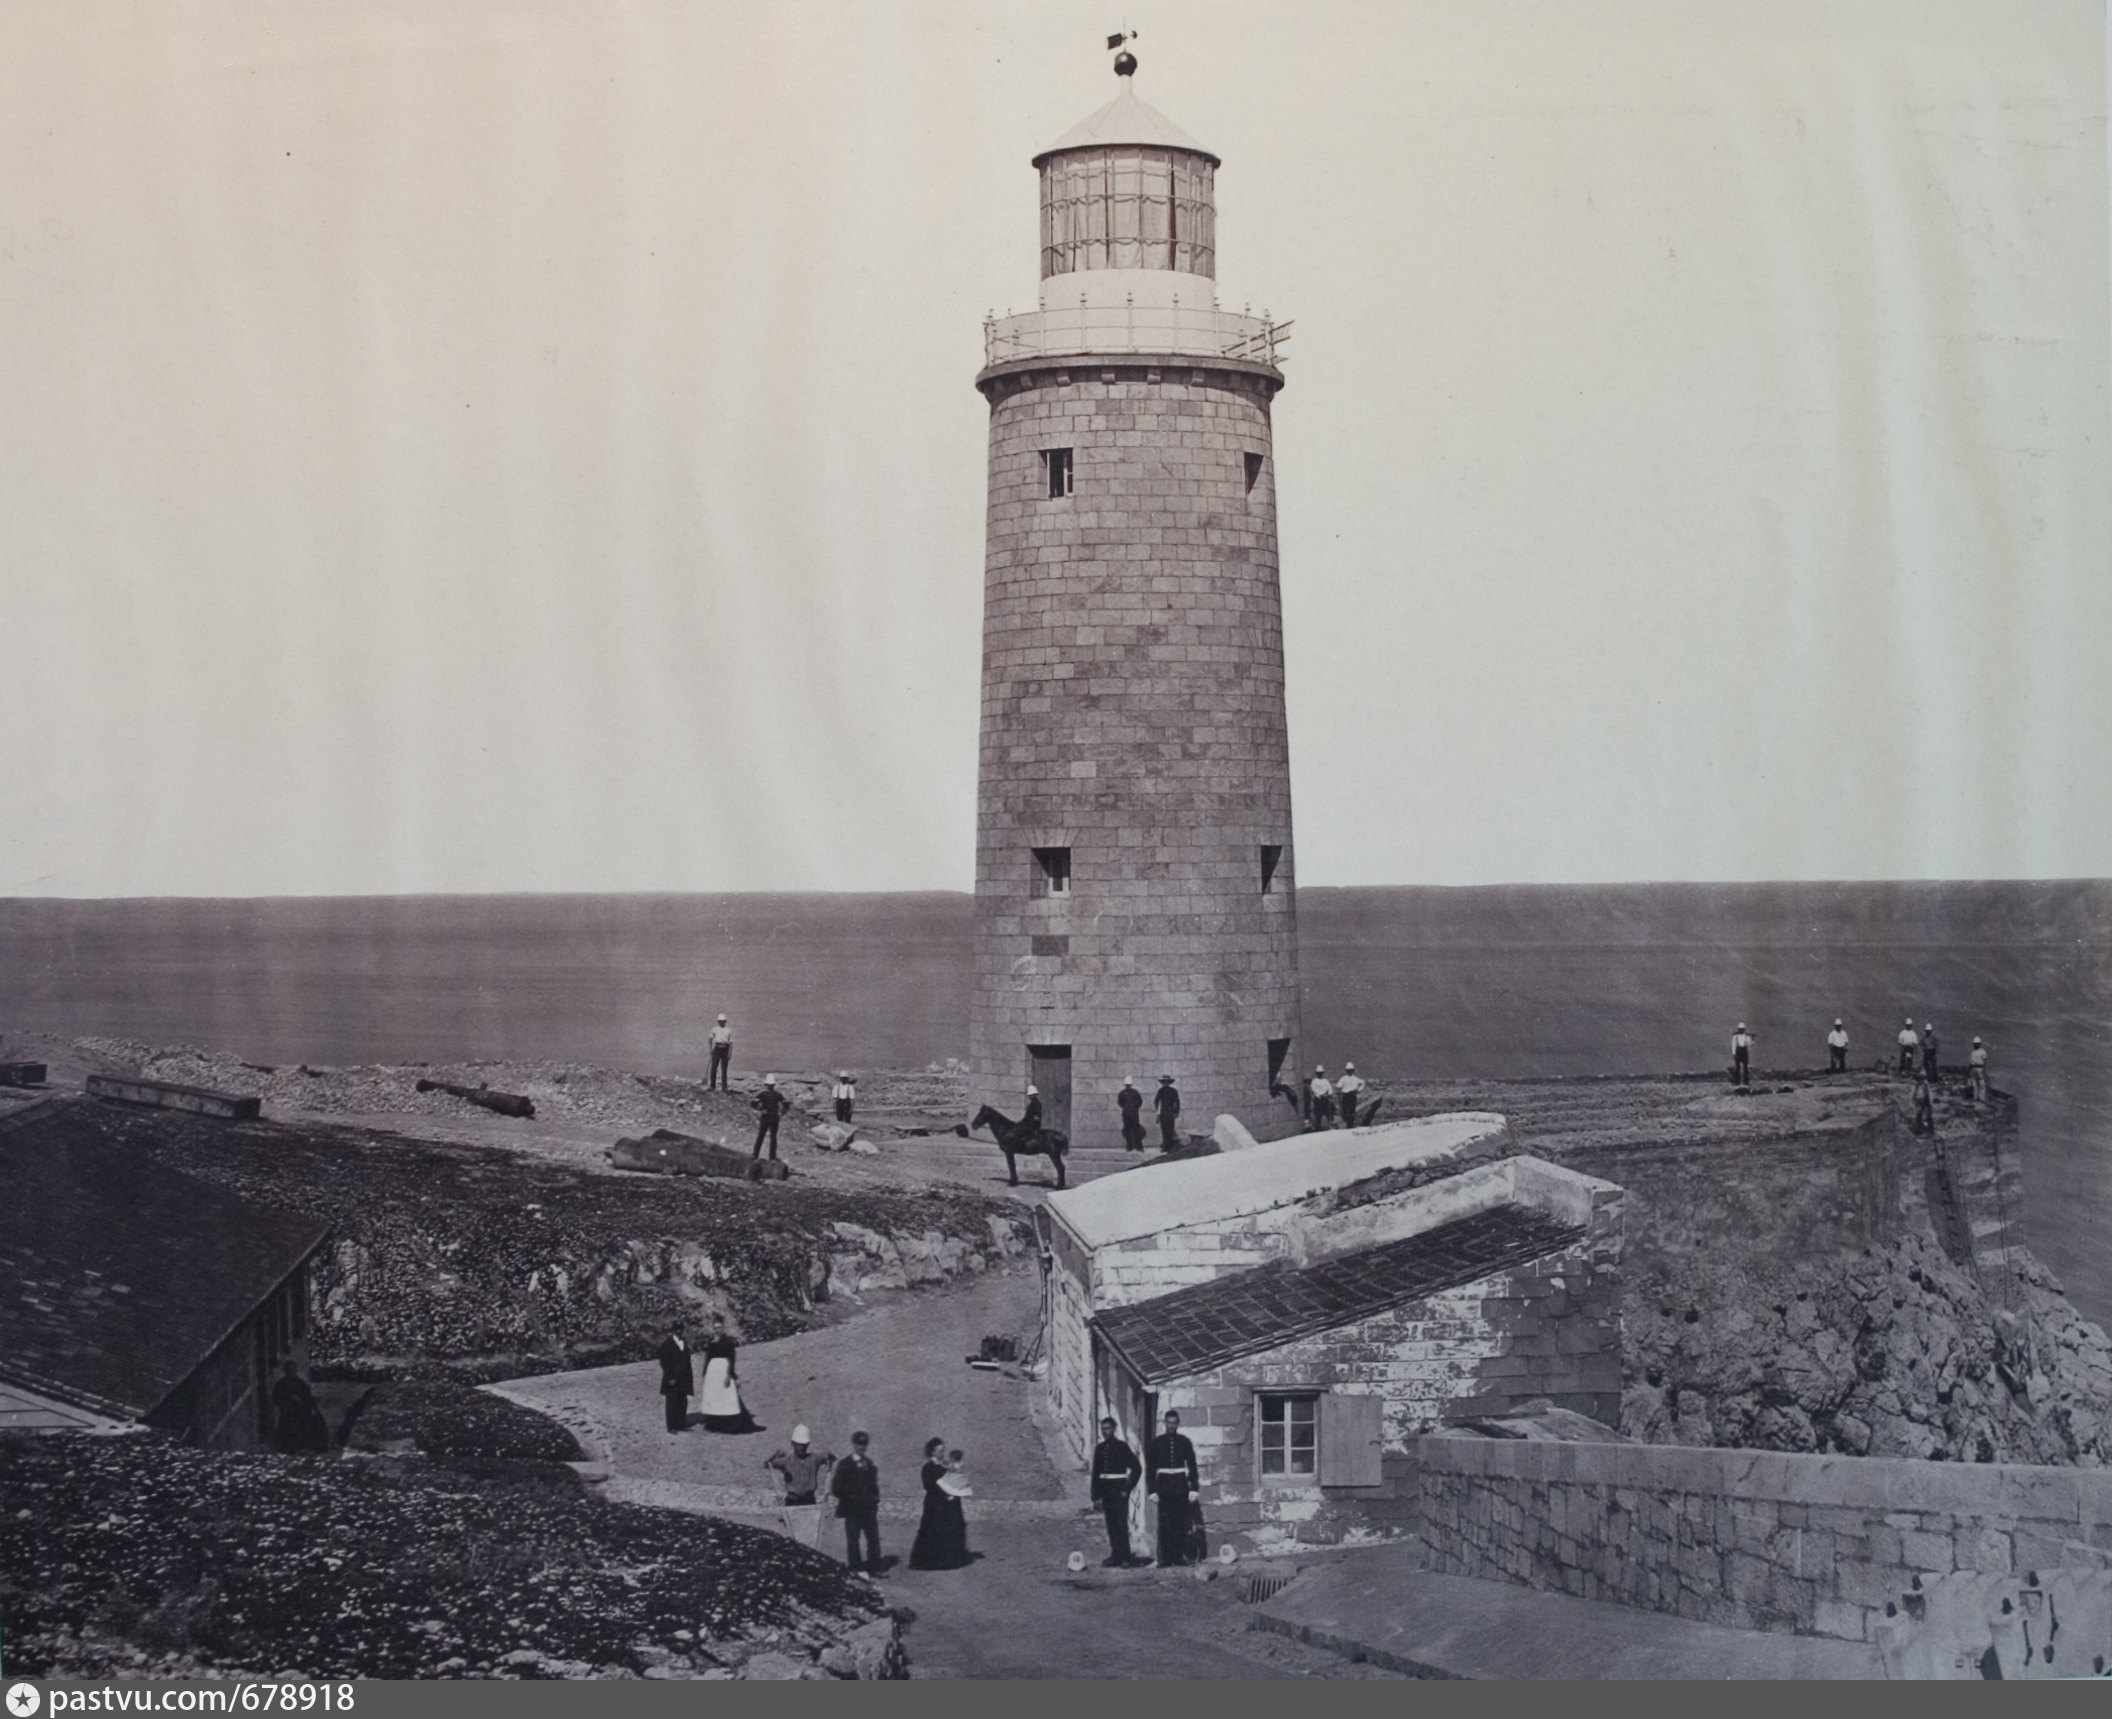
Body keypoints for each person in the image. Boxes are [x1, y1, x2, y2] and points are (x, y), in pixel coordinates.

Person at [765, 1424, 834, 1548]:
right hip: (792, 1501)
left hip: (808, 1501)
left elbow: (831, 1456)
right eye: (798, 1444)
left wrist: (829, 1459)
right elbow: (767, 1464)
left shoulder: (814, 1458)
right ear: (793, 1443)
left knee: (809, 1536)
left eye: (803, 1445)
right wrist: (775, 1454)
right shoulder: (786, 1461)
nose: (801, 1447)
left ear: (807, 1445)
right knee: (794, 1538)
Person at [1147, 1409, 1199, 1567]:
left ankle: (1178, 1557)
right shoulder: (1157, 1442)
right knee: (1164, 1523)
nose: (1171, 1426)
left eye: (1174, 1423)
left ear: (1178, 1424)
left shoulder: (1185, 1442)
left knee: (1179, 1523)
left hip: (1180, 1486)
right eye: (1169, 1423)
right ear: (1165, 1424)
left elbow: (1192, 1466)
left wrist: (1194, 1488)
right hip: (1163, 1486)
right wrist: (1151, 1490)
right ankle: (1165, 1558)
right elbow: (1150, 1468)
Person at [909, 1438, 972, 1569]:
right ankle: (929, 1562)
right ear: (932, 1451)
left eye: (943, 1451)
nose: (942, 1453)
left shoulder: (945, 1465)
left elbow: (953, 1479)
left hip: (947, 1505)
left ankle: (948, 1560)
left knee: (948, 1531)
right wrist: (945, 1492)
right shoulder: (927, 1467)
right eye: (939, 1451)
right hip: (935, 1504)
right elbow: (928, 1485)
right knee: (933, 1531)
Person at [1090, 1415, 1141, 1566]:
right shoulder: (1099, 1449)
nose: (1105, 1432)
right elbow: (1096, 1474)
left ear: (1114, 1429)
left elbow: (1137, 1468)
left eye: (1108, 1428)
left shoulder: (1122, 1447)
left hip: (1119, 1490)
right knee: (1110, 1524)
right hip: (1106, 1491)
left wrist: (1127, 1488)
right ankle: (1115, 1555)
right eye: (1103, 1429)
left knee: (1121, 1524)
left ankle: (1126, 1557)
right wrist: (1095, 1496)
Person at [832, 1431, 883, 1575]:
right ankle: (856, 1568)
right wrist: (851, 1498)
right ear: (854, 1445)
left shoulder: (869, 1464)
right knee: (853, 1540)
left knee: (873, 1539)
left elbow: (874, 1485)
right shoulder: (845, 1464)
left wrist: (875, 1500)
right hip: (852, 1509)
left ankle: (874, 1568)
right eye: (860, 1444)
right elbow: (836, 1488)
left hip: (868, 1509)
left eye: (864, 1444)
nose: (862, 1447)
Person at [697, 1313, 753, 1433]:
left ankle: (728, 1422)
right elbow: (708, 1357)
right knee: (714, 1396)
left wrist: (729, 1374)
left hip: (723, 1369)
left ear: (723, 1328)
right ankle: (714, 1422)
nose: (717, 1330)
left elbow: (731, 1358)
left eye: (719, 1328)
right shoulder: (711, 1341)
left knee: (726, 1395)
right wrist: (705, 1372)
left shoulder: (727, 1342)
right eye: (715, 1328)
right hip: (712, 1372)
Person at [269, 1360, 328, 1453]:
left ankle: (309, 1446)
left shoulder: (300, 1382)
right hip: (288, 1411)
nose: (291, 1372)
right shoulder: (281, 1383)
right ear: (285, 1371)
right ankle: (287, 1448)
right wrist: (289, 1399)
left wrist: (309, 1404)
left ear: (295, 1370)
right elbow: (277, 1398)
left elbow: (307, 1396)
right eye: (289, 1370)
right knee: (288, 1426)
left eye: (293, 1369)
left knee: (315, 1421)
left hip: (301, 1410)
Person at [655, 1328, 694, 1434]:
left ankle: (681, 1424)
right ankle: (671, 1426)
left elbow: (686, 1360)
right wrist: (670, 1377)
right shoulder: (667, 1344)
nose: (679, 1332)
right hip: (672, 1378)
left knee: (682, 1401)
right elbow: (663, 1362)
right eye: (677, 1330)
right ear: (673, 1331)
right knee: (672, 1401)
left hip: (683, 1378)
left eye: (681, 1330)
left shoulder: (683, 1342)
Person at [751, 1074, 788, 1161]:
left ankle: (772, 1156)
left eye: (771, 1085)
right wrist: (760, 1109)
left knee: (773, 1138)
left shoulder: (777, 1095)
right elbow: (753, 1103)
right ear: (766, 1085)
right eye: (769, 1085)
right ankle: (755, 1155)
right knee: (761, 1136)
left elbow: (786, 1104)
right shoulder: (762, 1095)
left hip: (774, 1118)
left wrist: (781, 1113)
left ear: (773, 1085)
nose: (770, 1087)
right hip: (765, 1118)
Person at [1116, 1077, 1146, 1153]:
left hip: (1134, 1113)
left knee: (1136, 1129)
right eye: (1127, 1085)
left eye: (1129, 1085)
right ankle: (1129, 1146)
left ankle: (1139, 1146)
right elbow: (1120, 1103)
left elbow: (1140, 1101)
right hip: (1126, 1114)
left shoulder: (1135, 1092)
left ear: (1131, 1085)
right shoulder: (1122, 1093)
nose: (1128, 1086)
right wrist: (1126, 1108)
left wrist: (1134, 1108)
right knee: (1127, 1130)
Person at [1153, 1075, 1182, 1152]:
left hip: (1170, 1113)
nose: (1165, 1083)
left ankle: (1170, 1146)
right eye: (1164, 1082)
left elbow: (1177, 1102)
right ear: (1162, 1083)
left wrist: (1176, 1112)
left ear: (1169, 1083)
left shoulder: (1173, 1091)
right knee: (1164, 1129)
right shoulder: (1160, 1091)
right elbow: (1156, 1101)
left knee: (1170, 1129)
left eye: (1167, 1082)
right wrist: (1158, 1112)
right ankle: (1165, 1146)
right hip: (1163, 1113)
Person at [707, 1014, 734, 1091]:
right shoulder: (714, 1029)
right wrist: (710, 1049)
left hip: (725, 1049)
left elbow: (731, 1043)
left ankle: (724, 1087)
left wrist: (730, 1053)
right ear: (718, 1021)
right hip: (717, 1048)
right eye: (720, 1021)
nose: (721, 1022)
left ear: (725, 1021)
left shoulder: (728, 1030)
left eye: (723, 1021)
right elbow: (709, 1039)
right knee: (713, 1067)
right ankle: (712, 1086)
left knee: (724, 1069)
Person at [1335, 1062, 1365, 1129]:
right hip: (1347, 1095)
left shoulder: (1354, 1078)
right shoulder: (1344, 1078)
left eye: (1350, 1070)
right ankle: (1349, 1125)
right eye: (1349, 1070)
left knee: (1350, 1112)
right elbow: (1338, 1085)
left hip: (1351, 1095)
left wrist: (1358, 1090)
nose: (1349, 1071)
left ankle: (1350, 1125)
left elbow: (1363, 1082)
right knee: (1346, 1112)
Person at [1307, 1065, 1335, 1131]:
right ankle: (1318, 1127)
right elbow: (1313, 1089)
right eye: (1319, 1073)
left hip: (1325, 1099)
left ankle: (1328, 1126)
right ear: (1316, 1073)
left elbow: (1330, 1088)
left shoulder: (1325, 1081)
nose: (1320, 1074)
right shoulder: (1314, 1081)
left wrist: (1329, 1094)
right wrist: (1321, 1094)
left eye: (1321, 1073)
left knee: (1328, 1113)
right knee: (1318, 1114)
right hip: (1318, 1099)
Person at [1912, 1071, 1934, 1135]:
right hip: (1918, 1101)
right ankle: (1918, 1129)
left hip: (1924, 1101)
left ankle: (1928, 1129)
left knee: (1927, 1115)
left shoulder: (1926, 1085)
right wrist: (1912, 1100)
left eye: (1922, 1079)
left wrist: (1930, 1102)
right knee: (1918, 1115)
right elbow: (1913, 1093)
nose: (1921, 1080)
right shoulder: (1916, 1085)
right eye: (1920, 1079)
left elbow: (1929, 1094)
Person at [1730, 1024, 1753, 1089]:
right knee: (1737, 1067)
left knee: (1745, 1067)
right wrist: (1734, 1053)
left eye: (1742, 1029)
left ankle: (1746, 1083)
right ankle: (1737, 1082)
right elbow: (1733, 1045)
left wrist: (1752, 1039)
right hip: (1738, 1050)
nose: (1741, 1030)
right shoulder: (1735, 1036)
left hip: (1744, 1050)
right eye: (1740, 1029)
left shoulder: (1746, 1036)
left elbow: (1750, 1044)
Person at [1969, 1037, 1989, 1103]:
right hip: (1973, 1069)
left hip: (1980, 1068)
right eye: (1975, 1044)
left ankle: (1981, 1098)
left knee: (1981, 1083)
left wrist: (1984, 1070)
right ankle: (1975, 1098)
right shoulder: (1972, 1052)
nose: (1976, 1045)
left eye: (1977, 1043)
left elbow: (1985, 1061)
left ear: (1980, 1044)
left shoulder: (1983, 1052)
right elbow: (1970, 1062)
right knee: (1974, 1084)